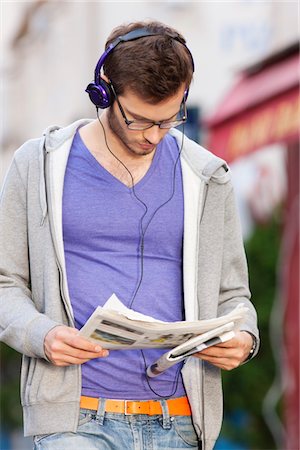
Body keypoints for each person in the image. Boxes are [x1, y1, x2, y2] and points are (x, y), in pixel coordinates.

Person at [0, 20, 259, 450]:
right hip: (74, 417)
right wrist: (40, 334)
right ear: (104, 88)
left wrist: (244, 340)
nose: (155, 136)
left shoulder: (208, 176)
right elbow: (5, 282)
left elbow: (234, 297)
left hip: (177, 421)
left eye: (170, 119)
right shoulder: (37, 165)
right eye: (139, 120)